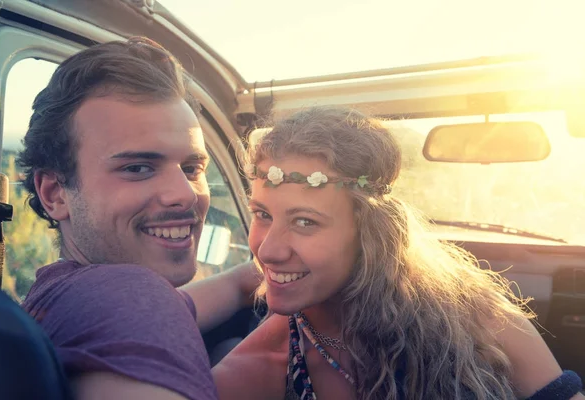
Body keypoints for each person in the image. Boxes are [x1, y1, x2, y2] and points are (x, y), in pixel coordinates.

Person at [212, 106, 584, 400]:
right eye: (262, 214)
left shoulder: (478, 318)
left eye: (305, 222)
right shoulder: (252, 373)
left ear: (371, 233)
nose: (269, 249)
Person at [17, 37, 260, 400]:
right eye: (138, 168)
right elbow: (139, 305)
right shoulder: (129, 296)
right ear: (54, 194)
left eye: (192, 167)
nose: (185, 194)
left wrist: (264, 273)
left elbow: (193, 301)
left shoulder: (60, 293)